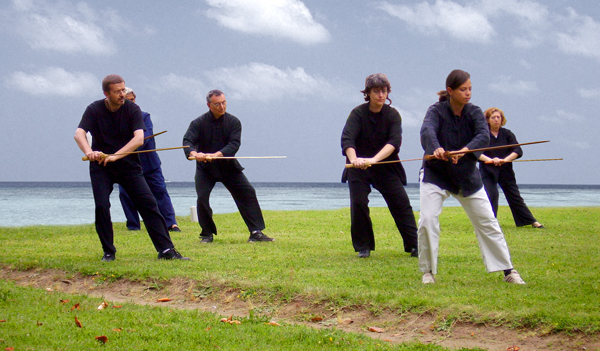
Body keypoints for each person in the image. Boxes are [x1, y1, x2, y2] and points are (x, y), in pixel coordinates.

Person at [418, 69, 524, 284]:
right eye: (463, 89)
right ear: (450, 91)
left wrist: (464, 150)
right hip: (435, 175)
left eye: (470, 89)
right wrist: (437, 148)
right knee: (427, 220)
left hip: (467, 177)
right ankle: (428, 272)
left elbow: (483, 135)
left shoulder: (475, 112)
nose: (468, 93)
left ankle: (508, 271)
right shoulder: (436, 111)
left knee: (488, 222)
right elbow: (427, 131)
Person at [74, 74, 189, 261]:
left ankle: (167, 250)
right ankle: (108, 252)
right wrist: (89, 152)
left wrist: (115, 156)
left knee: (149, 204)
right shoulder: (94, 109)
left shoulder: (133, 109)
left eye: (123, 90)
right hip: (101, 167)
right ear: (106, 93)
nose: (122, 94)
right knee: (102, 206)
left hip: (128, 165)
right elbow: (79, 134)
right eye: (117, 91)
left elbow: (139, 139)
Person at [340, 73, 418, 258]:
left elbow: (394, 142)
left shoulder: (393, 115)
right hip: (358, 167)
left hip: (385, 166)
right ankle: (363, 247)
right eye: (376, 91)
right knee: (359, 203)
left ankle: (415, 245)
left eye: (384, 91)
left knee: (401, 203)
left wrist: (374, 160)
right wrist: (354, 159)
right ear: (368, 93)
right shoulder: (358, 113)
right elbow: (347, 139)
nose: (381, 95)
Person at [182, 89, 273, 243]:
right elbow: (187, 142)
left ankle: (256, 232)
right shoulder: (198, 123)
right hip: (205, 169)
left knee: (248, 192)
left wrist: (216, 155)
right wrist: (194, 153)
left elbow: (234, 144)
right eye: (217, 104)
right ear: (209, 105)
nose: (222, 107)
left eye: (224, 103)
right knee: (202, 198)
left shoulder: (234, 122)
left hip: (228, 167)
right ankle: (207, 234)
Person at [118, 87, 181, 233]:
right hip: (127, 164)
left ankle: (171, 223)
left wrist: (127, 147)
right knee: (125, 193)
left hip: (149, 164)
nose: (132, 103)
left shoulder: (143, 116)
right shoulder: (118, 119)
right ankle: (133, 225)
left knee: (159, 191)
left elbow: (144, 139)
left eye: (133, 100)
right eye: (128, 100)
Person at [478, 107, 544, 229]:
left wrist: (505, 160)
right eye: (493, 117)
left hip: (505, 170)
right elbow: (475, 153)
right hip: (488, 170)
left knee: (514, 196)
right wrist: (490, 160)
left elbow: (518, 150)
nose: (496, 120)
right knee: (491, 195)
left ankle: (532, 221)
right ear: (487, 119)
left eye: (499, 117)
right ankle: (490, 223)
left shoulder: (507, 133)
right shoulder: (482, 135)